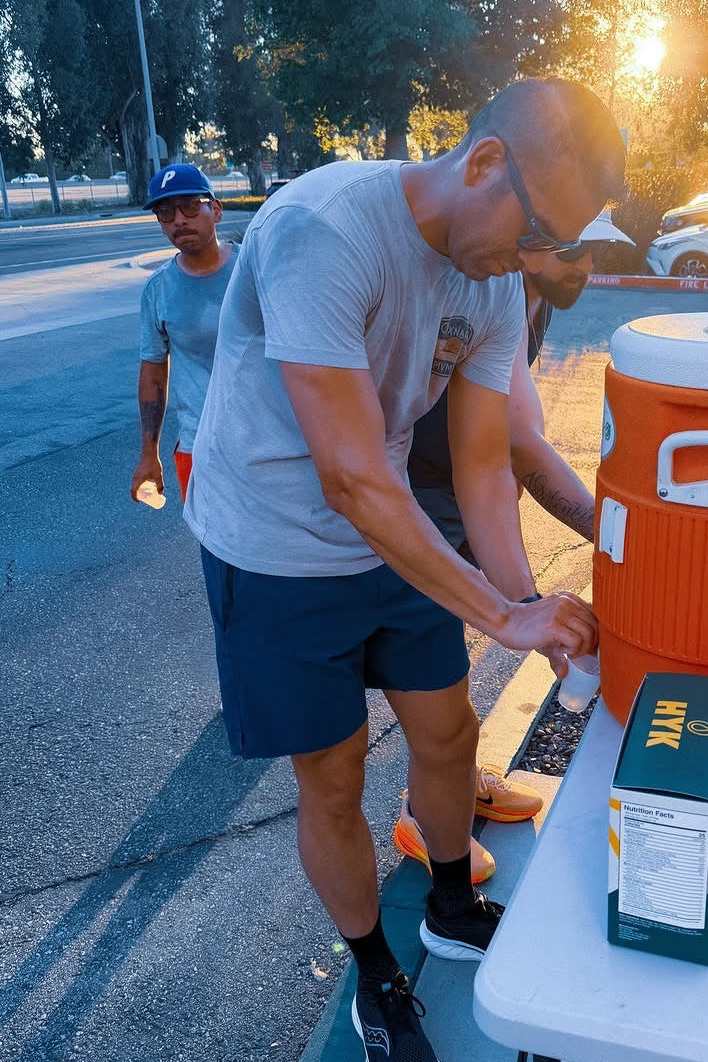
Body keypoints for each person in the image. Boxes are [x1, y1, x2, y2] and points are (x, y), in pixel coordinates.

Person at [184, 77, 625, 1061]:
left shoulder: (493, 278)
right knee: (335, 772)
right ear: (482, 162)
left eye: (553, 243)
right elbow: (348, 477)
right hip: (274, 548)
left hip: (390, 532)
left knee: (449, 729)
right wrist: (503, 618)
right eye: (536, 232)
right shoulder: (326, 229)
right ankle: (375, 970)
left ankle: (451, 904)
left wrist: (524, 605)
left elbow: (481, 468)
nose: (534, 263)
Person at [394, 210, 634, 874]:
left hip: (461, 490)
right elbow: (523, 449)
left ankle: (461, 781)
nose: (585, 267)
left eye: (593, 252)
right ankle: (424, 815)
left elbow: (505, 447)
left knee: (455, 654)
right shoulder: (482, 295)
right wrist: (616, 535)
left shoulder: (535, 303)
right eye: (573, 251)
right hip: (414, 497)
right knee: (431, 669)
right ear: (523, 247)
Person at [130, 164, 238, 504]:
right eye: (165, 212)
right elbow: (153, 376)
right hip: (199, 446)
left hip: (271, 444)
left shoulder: (252, 269)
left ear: (215, 210)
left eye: (190, 205)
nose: (178, 219)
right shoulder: (158, 290)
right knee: (210, 536)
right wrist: (149, 454)